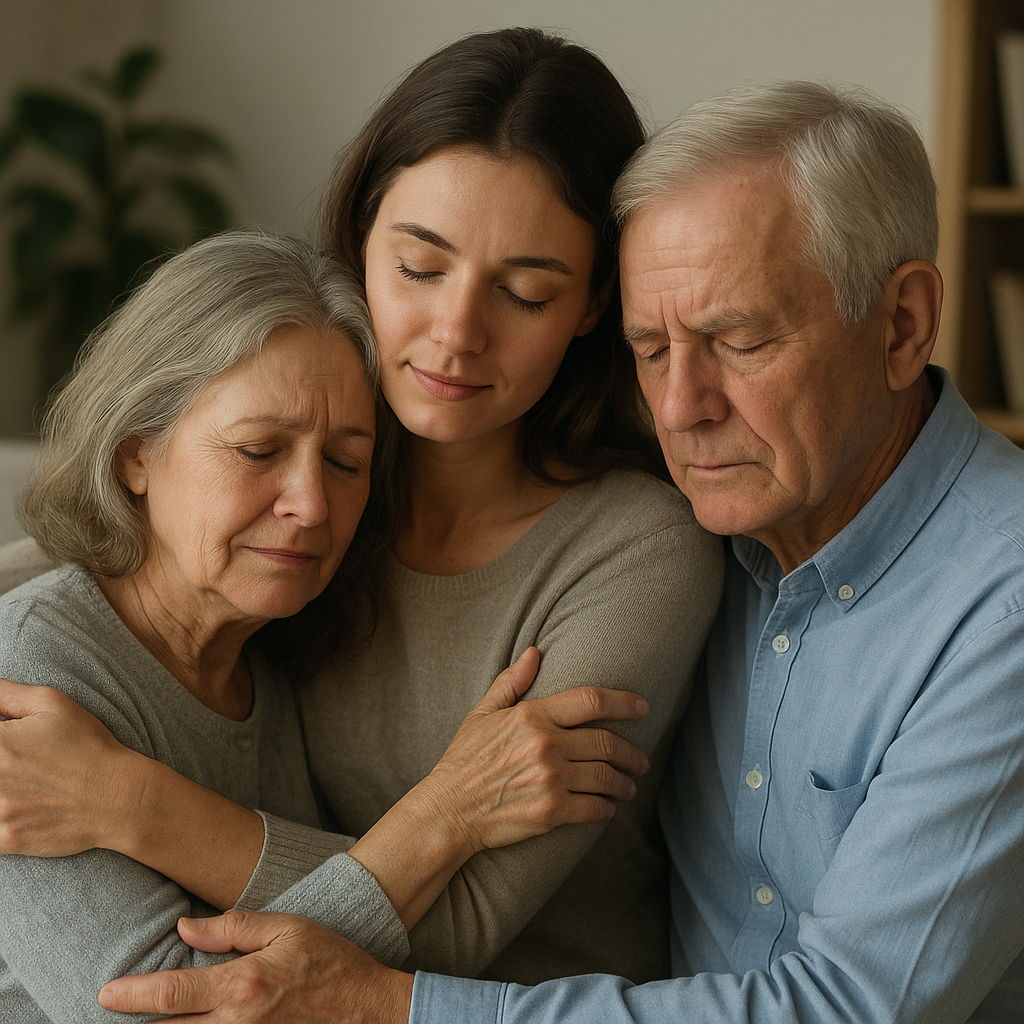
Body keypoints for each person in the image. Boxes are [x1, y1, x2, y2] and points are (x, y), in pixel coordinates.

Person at [90, 79, 1024, 1024]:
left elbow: (845, 1010)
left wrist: (377, 1002)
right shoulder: (739, 512)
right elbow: (126, 547)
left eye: (738, 340)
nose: (680, 409)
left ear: (903, 324)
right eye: (651, 349)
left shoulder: (993, 608)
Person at [0, 26, 722, 989]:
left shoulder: (637, 551)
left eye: (524, 292)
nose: (456, 334)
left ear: (593, 304)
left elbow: (461, 926)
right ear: (360, 244)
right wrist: (446, 812)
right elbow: (104, 581)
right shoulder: (316, 524)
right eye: (421, 268)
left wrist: (134, 803)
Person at [0, 229, 656, 1024]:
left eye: (345, 464)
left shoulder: (273, 659)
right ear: (136, 455)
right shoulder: (26, 680)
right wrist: (443, 813)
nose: (311, 506)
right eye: (257, 450)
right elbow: (164, 1015)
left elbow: (319, 947)